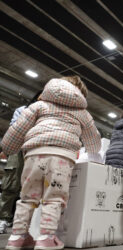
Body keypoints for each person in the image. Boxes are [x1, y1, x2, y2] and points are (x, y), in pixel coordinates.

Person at [1, 76, 101, 249]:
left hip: (33, 155)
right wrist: (93, 150)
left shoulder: (38, 106)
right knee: (54, 198)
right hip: (62, 158)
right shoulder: (82, 113)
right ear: (80, 94)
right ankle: (46, 238)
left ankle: (17, 238)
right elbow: (94, 139)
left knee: (26, 198)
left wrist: (8, 148)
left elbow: (17, 128)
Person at [0, 91, 42, 234]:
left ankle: (25, 223)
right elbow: (15, 128)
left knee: (32, 189)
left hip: (36, 152)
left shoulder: (47, 114)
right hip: (19, 150)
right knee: (11, 185)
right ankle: (3, 219)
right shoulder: (23, 110)